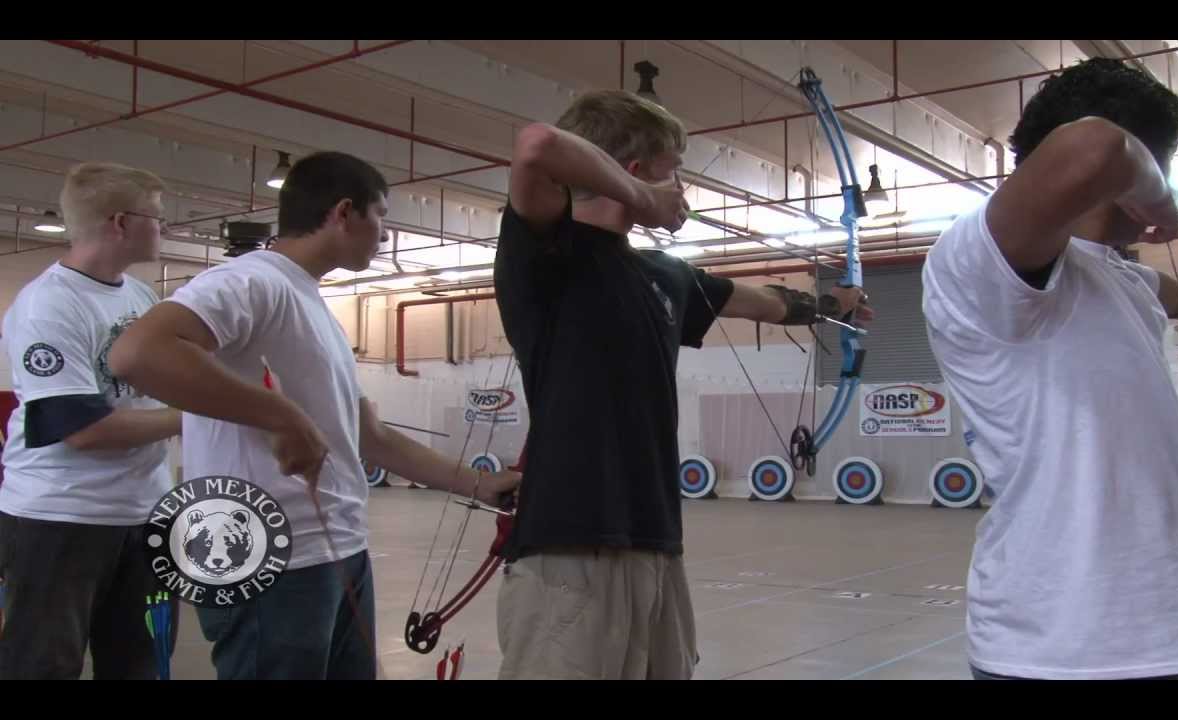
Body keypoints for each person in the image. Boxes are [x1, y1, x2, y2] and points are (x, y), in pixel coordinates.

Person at [493, 90, 872, 680]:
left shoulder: (662, 275)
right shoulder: (548, 251)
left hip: (655, 541)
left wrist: (827, 306)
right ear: (636, 171)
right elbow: (537, 145)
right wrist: (645, 199)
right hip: (571, 543)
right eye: (674, 172)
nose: (682, 191)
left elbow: (762, 302)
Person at [108, 151, 521, 680]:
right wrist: (283, 416)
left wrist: (478, 484)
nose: (387, 236)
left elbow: (369, 437)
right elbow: (139, 352)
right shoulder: (253, 281)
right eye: (382, 218)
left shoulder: (310, 303)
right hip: (267, 556)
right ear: (344, 212)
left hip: (335, 548)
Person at [922, 58, 1178, 680]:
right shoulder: (980, 262)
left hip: (1152, 635)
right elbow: (1097, 147)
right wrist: (1161, 202)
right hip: (1061, 648)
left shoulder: (1122, 278)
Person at [0, 162, 182, 680]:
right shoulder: (49, 305)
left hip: (140, 513)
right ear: (120, 222)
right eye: (157, 217)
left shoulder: (138, 296)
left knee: (138, 663)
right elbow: (83, 429)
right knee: (43, 665)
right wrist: (194, 418)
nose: (163, 228)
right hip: (60, 518)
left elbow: (160, 382)